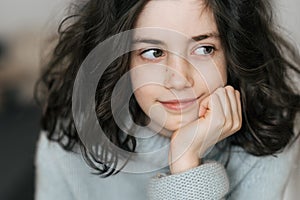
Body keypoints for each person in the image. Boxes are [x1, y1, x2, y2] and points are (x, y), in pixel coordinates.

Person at [34, 0, 300, 199]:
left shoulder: (268, 138)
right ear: (119, 61)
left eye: (204, 49)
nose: (179, 79)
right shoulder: (70, 136)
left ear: (231, 54)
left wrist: (186, 163)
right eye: (153, 52)